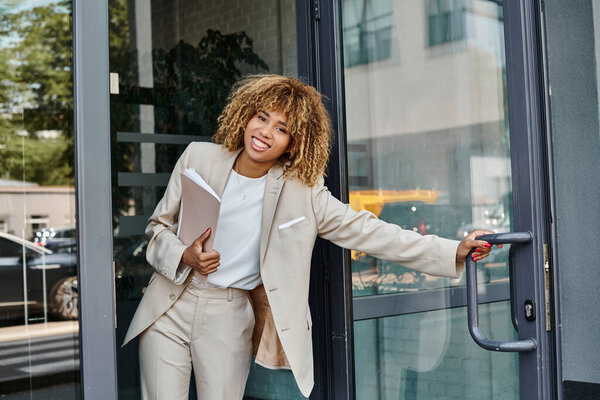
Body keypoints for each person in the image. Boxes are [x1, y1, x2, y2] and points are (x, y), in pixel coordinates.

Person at [122, 74, 498, 400]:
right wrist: (184, 255)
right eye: (262, 117)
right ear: (246, 115)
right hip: (170, 305)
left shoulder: (303, 192)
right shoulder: (198, 158)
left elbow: (369, 231)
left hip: (229, 314)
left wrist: (453, 250)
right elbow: (157, 230)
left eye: (282, 128)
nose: (265, 132)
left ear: (295, 142)